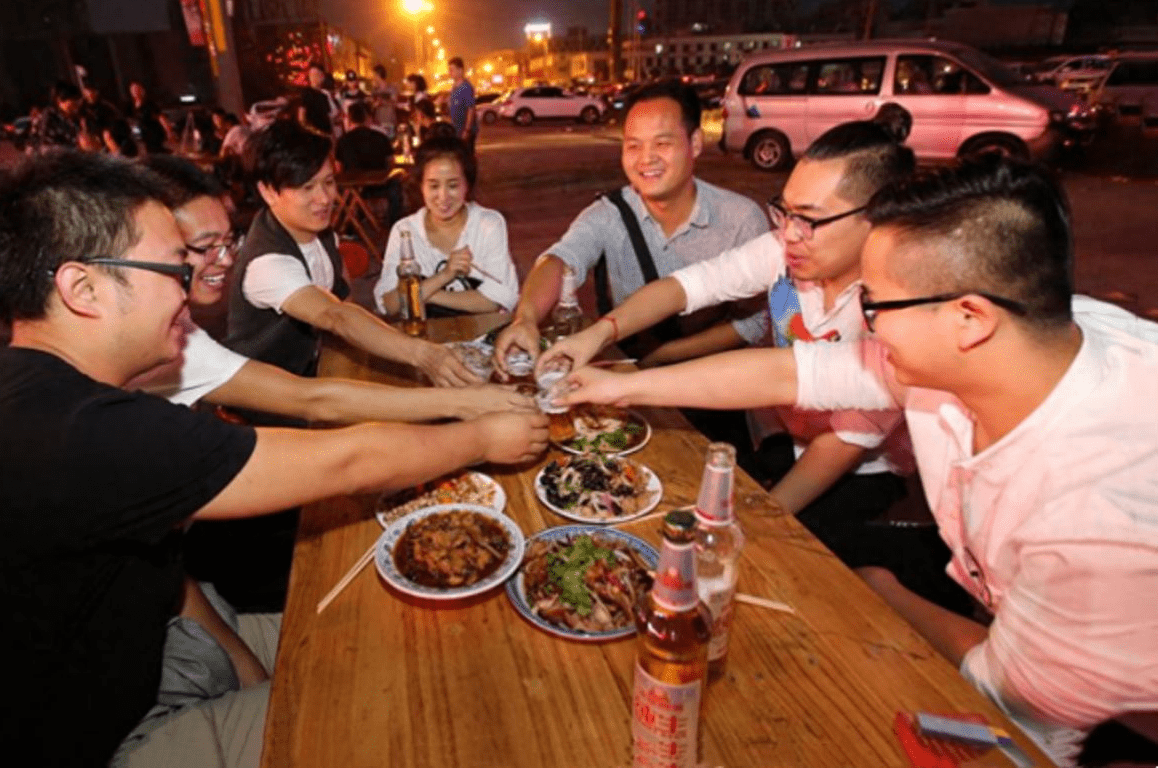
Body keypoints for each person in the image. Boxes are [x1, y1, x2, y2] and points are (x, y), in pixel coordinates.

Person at [0, 149, 547, 767]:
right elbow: (346, 461)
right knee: (405, 708)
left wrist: (248, 671)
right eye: (175, 268)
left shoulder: (28, 386)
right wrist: (483, 438)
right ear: (83, 289)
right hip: (105, 739)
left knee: (387, 633)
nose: (193, 287)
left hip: (154, 654)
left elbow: (163, 574)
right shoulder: (75, 431)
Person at [558, 156, 1158, 767]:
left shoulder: (1089, 523)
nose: (861, 322)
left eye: (874, 305)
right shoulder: (1019, 339)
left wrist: (880, 590)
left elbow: (1019, 725)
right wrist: (618, 386)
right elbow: (792, 373)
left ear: (969, 317)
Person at [137, 155, 533, 610]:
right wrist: (476, 429)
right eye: (204, 247)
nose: (226, 261)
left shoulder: (181, 331)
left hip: (187, 543)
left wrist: (462, 400)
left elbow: (317, 395)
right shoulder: (256, 268)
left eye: (229, 243)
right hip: (247, 454)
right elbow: (332, 341)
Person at [537, 116, 921, 574]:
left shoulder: (897, 314)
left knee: (769, 567)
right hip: (787, 438)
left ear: (877, 219)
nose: (789, 233)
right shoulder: (786, 255)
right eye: (784, 212)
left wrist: (755, 520)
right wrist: (597, 334)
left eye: (810, 219)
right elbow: (689, 286)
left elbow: (837, 435)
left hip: (858, 473)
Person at [494, 79, 768, 371]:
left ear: (696, 143)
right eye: (634, 145)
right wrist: (526, 319)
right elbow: (560, 261)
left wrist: (662, 357)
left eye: (662, 143)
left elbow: (755, 322)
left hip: (714, 376)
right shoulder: (609, 214)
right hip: (628, 368)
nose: (646, 159)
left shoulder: (741, 219)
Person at [227, 119, 479, 390]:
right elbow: (336, 316)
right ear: (268, 191)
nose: (325, 199)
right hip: (273, 397)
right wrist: (425, 355)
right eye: (307, 188)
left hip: (321, 369)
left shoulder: (321, 232)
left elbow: (346, 300)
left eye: (329, 182)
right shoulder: (267, 263)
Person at [375, 136, 519, 317]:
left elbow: (496, 300)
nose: (443, 197)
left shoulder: (488, 224)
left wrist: (423, 294)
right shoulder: (404, 232)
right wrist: (445, 274)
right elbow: (390, 304)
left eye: (453, 185)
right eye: (433, 186)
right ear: (420, 186)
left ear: (467, 185)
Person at [128, 80, 168, 154]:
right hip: (141, 135)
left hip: (153, 134)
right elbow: (132, 121)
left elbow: (160, 117)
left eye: (136, 89)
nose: (135, 92)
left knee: (156, 152)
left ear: (141, 90)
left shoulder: (149, 103)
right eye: (133, 90)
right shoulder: (131, 106)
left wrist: (168, 130)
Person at [296, 61, 336, 136]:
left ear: (323, 76)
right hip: (314, 137)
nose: (313, 78)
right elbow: (301, 118)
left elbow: (328, 118)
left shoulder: (324, 96)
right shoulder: (306, 93)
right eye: (311, 75)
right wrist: (317, 132)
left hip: (326, 136)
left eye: (316, 75)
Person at [447, 57, 478, 150]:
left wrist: (467, 131)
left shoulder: (466, 87)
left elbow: (470, 109)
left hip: (465, 132)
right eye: (449, 70)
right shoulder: (455, 86)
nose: (449, 72)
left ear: (460, 70)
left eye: (452, 70)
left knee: (466, 155)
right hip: (457, 130)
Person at [370, 63, 399, 139]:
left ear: (378, 75)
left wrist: (382, 102)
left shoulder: (391, 89)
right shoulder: (374, 91)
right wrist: (373, 105)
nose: (373, 77)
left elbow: (395, 103)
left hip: (390, 122)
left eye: (374, 75)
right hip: (378, 123)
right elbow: (371, 106)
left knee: (390, 142)